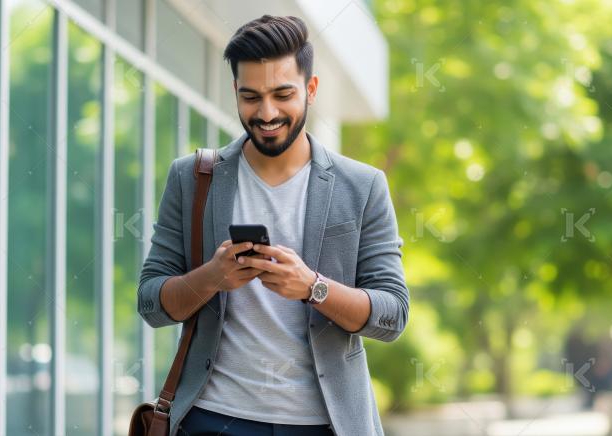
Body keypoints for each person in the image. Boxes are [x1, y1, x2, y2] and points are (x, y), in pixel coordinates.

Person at [138, 14, 409, 436]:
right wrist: (213, 276)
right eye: (251, 97)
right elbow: (152, 304)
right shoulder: (192, 178)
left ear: (311, 89)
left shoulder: (363, 186)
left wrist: (312, 287)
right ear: (235, 92)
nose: (267, 113)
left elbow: (392, 316)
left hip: (324, 424)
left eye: (283, 94)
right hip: (212, 419)